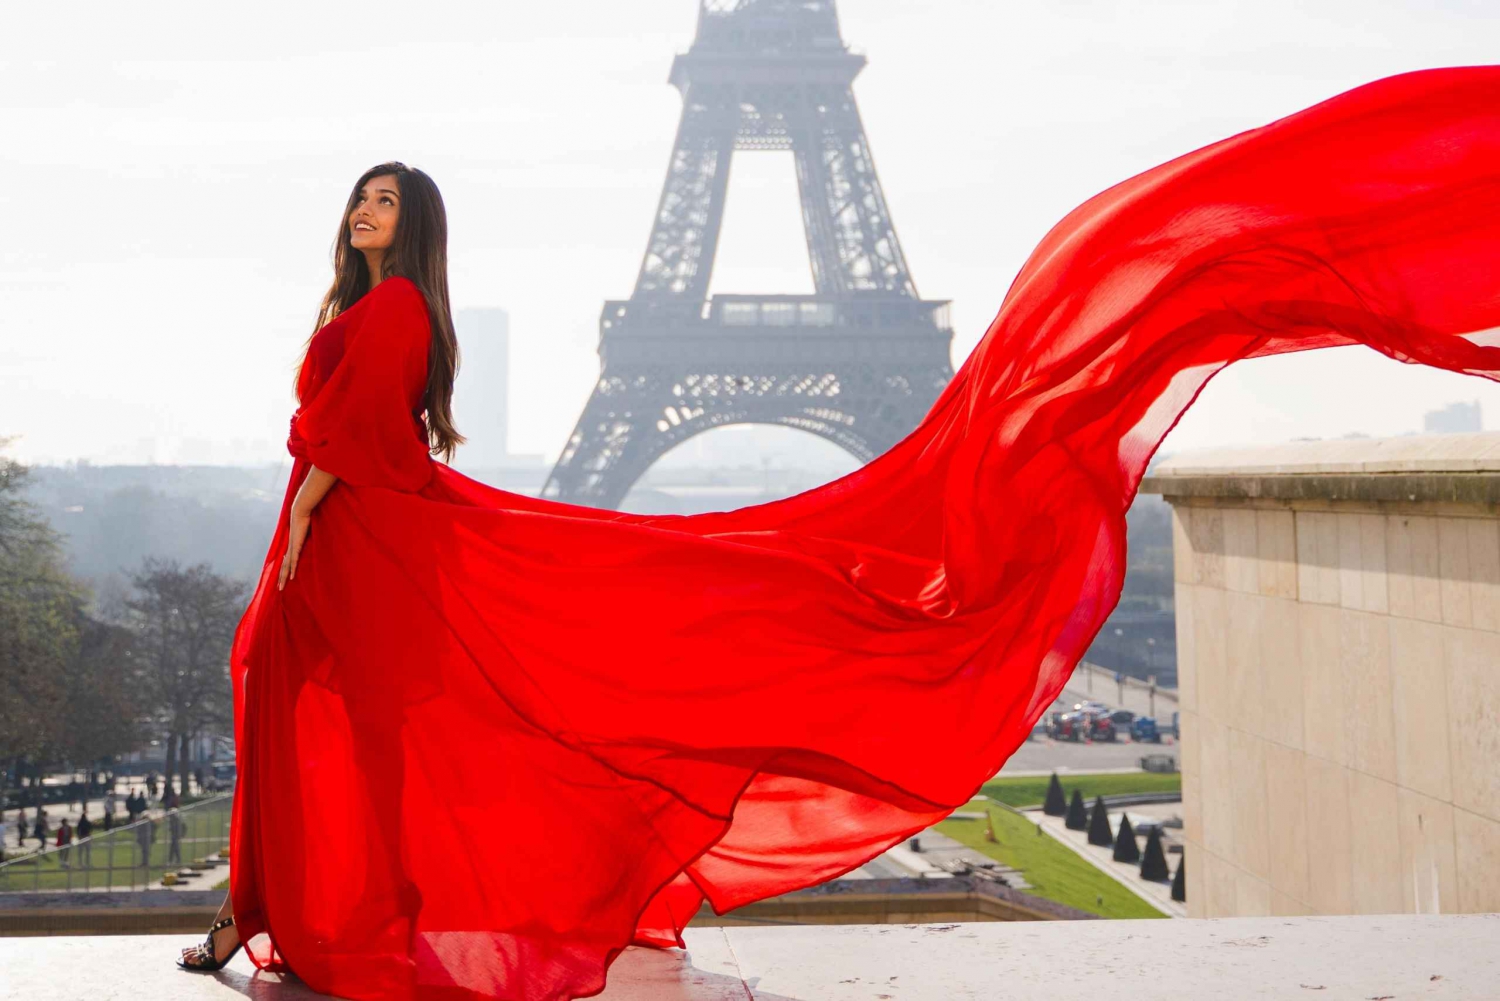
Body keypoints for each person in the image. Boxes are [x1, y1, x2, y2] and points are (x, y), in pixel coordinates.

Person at [182, 69, 1500, 999]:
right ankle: (268, 911)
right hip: (352, 542)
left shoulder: (396, 313)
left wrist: (295, 537)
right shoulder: (368, 303)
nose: (368, 215)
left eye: (387, 205)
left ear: (415, 229)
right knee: (305, 711)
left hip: (345, 542)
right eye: (361, 201)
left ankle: (285, 914)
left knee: (305, 706)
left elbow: (346, 445)